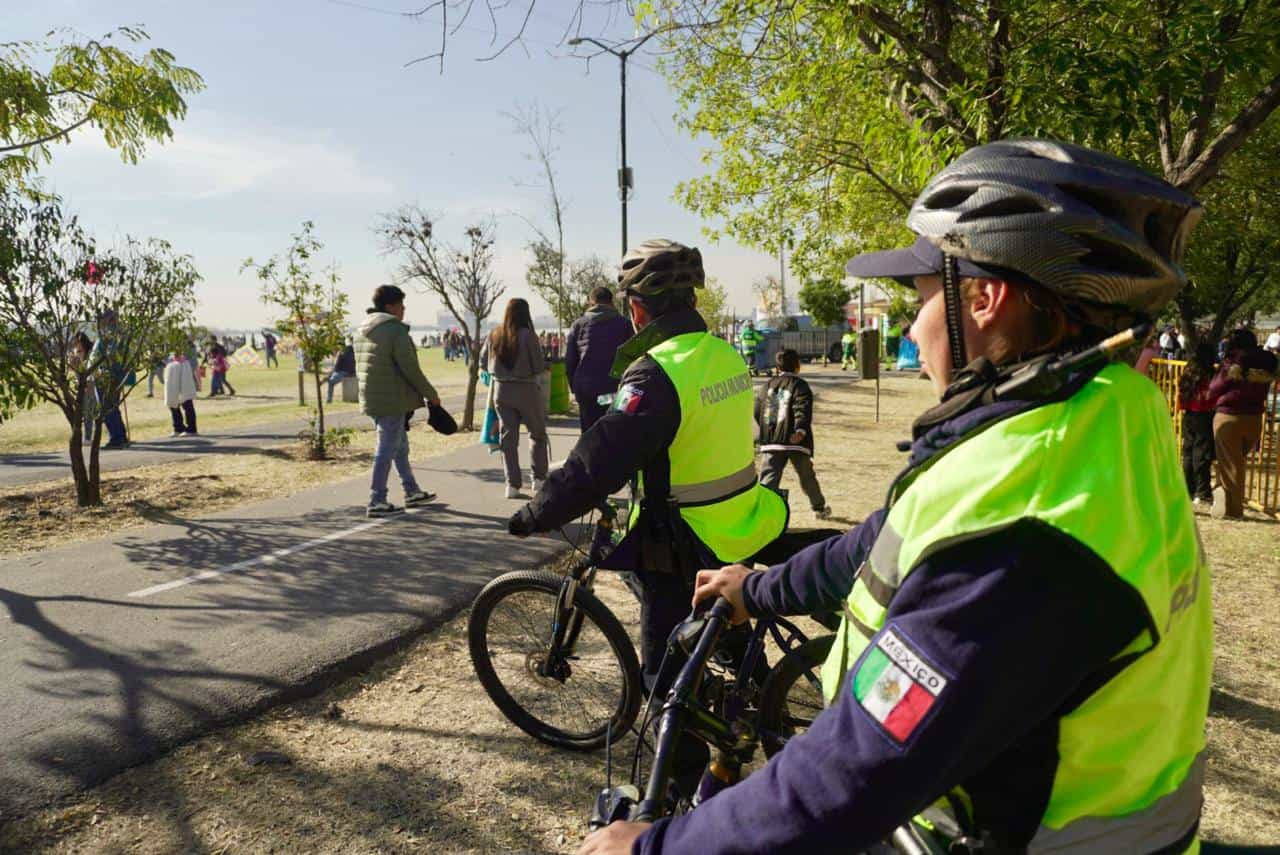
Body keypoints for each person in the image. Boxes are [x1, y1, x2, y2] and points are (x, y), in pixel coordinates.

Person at [581, 141, 1211, 855]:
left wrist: (651, 846)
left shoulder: (1026, 533)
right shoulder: (1092, 415)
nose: (913, 328)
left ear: (984, 296)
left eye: (922, 298)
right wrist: (758, 587)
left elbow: (850, 775)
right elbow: (889, 536)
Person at [508, 238, 787, 742]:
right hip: (744, 518)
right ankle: (756, 680)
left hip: (687, 540)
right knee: (721, 625)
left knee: (664, 685)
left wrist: (540, 511)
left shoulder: (657, 373)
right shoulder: (723, 354)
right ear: (696, 304)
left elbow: (601, 457)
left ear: (636, 310)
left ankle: (677, 786)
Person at [355, 285, 439, 518]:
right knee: (386, 449)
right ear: (390, 306)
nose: (403, 310)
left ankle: (411, 490)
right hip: (391, 398)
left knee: (400, 447)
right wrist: (430, 393)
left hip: (372, 397)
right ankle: (377, 499)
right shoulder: (394, 330)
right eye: (401, 305)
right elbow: (410, 368)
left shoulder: (362, 329)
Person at [482, 298, 549, 499]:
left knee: (508, 438)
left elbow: (484, 363)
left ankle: (512, 484)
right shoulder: (528, 335)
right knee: (537, 434)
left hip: (501, 391)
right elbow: (538, 365)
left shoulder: (494, 334)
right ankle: (538, 479)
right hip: (526, 390)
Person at [1209, 328, 1279, 520]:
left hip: (1229, 417)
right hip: (1255, 418)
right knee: (1236, 463)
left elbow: (1215, 387)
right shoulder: (1268, 361)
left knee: (1232, 466)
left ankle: (1233, 510)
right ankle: (1224, 495)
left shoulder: (1233, 361)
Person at [756, 348, 832, 519]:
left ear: (777, 367)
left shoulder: (766, 386)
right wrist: (800, 429)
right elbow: (802, 408)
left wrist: (762, 432)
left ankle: (760, 513)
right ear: (798, 366)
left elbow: (757, 410)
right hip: (796, 441)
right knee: (807, 477)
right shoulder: (800, 385)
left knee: (768, 479)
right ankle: (819, 509)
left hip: (772, 441)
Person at [565, 285, 633, 432]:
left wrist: (575, 387)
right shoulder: (624, 324)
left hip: (587, 391)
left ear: (591, 302)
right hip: (614, 389)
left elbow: (570, 361)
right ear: (612, 302)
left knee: (589, 434)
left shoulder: (578, 325)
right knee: (614, 432)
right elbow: (633, 358)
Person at [1177, 343, 1217, 505]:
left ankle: (1188, 489)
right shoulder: (1209, 372)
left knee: (1188, 453)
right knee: (1201, 455)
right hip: (1204, 415)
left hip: (1188, 415)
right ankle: (1202, 492)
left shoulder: (1188, 369)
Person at [91, 310, 132, 449]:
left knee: (108, 408)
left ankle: (117, 438)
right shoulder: (111, 333)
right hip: (108, 375)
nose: (99, 321)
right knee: (112, 407)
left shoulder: (112, 334)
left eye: (103, 318)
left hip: (108, 376)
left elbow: (112, 354)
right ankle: (120, 436)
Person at [70, 332, 98, 444]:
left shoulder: (90, 354)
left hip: (91, 384)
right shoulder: (75, 353)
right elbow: (73, 369)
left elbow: (91, 369)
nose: (76, 345)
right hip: (82, 385)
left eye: (78, 342)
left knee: (90, 412)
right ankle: (87, 437)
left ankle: (87, 437)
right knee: (86, 412)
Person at [163, 352, 198, 436]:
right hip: (171, 368)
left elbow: (193, 360)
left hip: (183, 367)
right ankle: (178, 428)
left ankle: (191, 429)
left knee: (186, 401)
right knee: (172, 400)